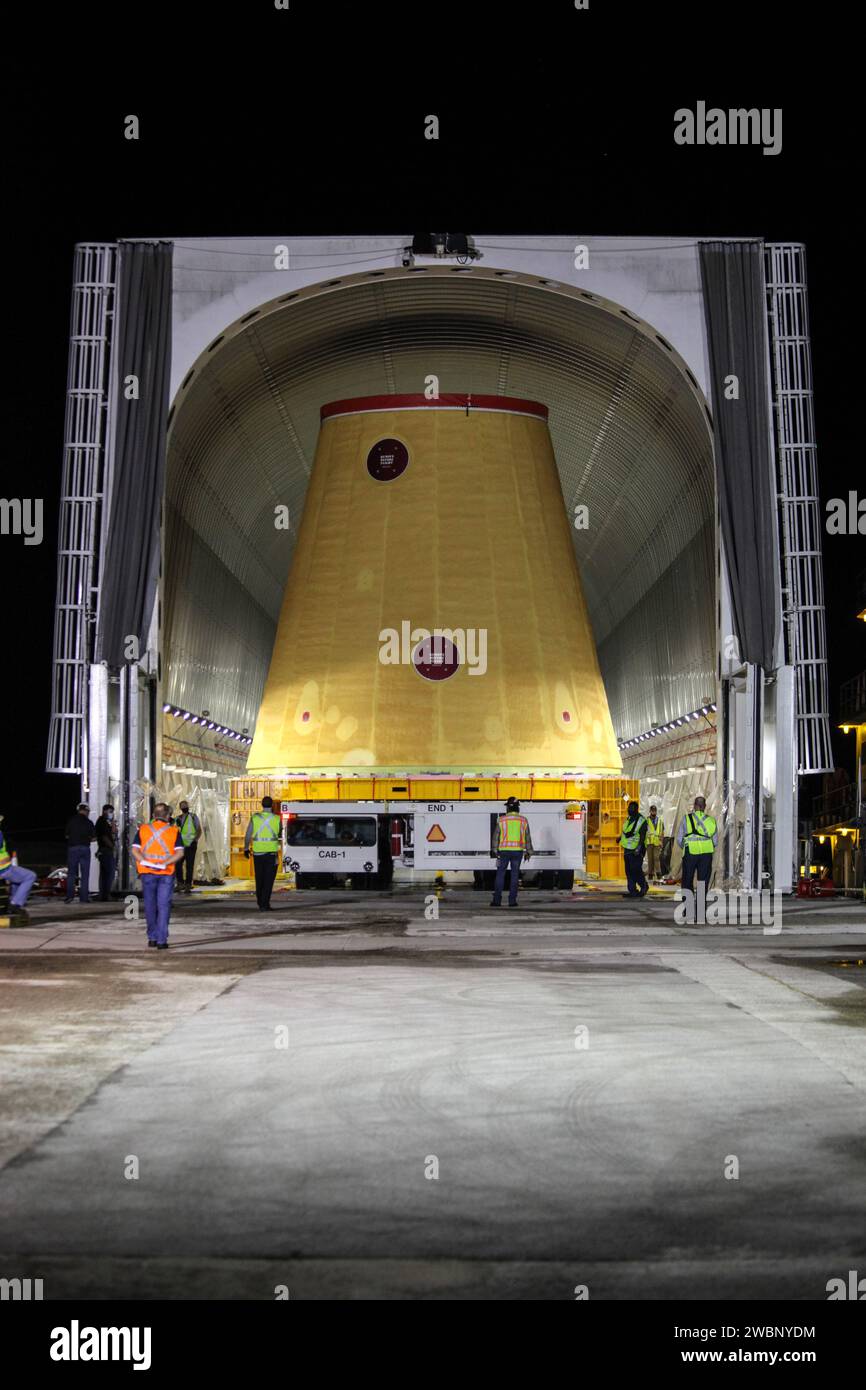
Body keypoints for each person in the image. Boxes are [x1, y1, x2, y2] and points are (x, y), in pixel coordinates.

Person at [132, 803, 184, 949]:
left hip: (147, 873)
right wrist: (165, 863)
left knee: (150, 906)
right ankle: (162, 941)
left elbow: (135, 851)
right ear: (168, 816)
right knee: (163, 906)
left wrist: (145, 861)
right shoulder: (174, 831)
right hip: (166, 873)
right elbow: (180, 853)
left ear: (154, 815)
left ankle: (152, 938)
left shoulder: (143, 830)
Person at [490, 796, 533, 908]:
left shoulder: (501, 820)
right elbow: (527, 837)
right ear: (517, 808)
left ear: (508, 808)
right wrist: (529, 851)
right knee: (514, 876)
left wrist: (494, 850)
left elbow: (495, 837)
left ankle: (497, 901)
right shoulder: (523, 820)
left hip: (503, 852)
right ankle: (512, 901)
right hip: (517, 852)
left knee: (500, 875)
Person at [244, 796, 282, 910]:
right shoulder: (277, 818)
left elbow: (248, 835)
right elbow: (279, 833)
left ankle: (261, 902)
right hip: (271, 854)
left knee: (259, 879)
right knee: (268, 880)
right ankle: (265, 904)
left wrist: (246, 848)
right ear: (272, 805)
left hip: (258, 853)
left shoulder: (255, 818)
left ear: (262, 804)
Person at [0, 812, 37, 923]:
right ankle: (15, 904)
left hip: (5, 868)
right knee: (30, 876)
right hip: (3, 869)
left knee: (17, 881)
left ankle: (13, 903)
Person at [677, 796, 718, 893]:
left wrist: (687, 847)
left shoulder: (686, 819)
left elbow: (679, 839)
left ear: (695, 806)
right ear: (704, 806)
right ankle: (700, 906)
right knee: (702, 882)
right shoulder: (711, 821)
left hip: (690, 853)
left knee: (687, 880)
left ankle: (688, 906)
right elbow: (715, 842)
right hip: (706, 855)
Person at [64, 802, 96, 904]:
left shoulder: (71, 821)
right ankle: (84, 898)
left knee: (71, 874)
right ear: (86, 811)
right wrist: (86, 840)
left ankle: (69, 897)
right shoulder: (89, 822)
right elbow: (94, 837)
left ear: (78, 810)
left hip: (73, 848)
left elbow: (66, 836)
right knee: (85, 874)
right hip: (85, 849)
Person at [619, 801, 648, 898]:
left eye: (631, 808)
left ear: (636, 809)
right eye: (629, 808)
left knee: (635, 870)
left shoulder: (641, 820)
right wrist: (620, 838)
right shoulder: (629, 819)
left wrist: (638, 848)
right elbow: (626, 832)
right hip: (627, 850)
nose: (629, 810)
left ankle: (644, 886)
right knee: (628, 871)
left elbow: (642, 836)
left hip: (636, 850)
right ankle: (632, 891)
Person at [174, 799, 202, 894]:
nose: (184, 807)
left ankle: (188, 884)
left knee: (190, 865)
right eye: (182, 806)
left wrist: (195, 840)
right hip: (181, 846)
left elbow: (199, 829)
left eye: (185, 805)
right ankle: (180, 883)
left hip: (191, 845)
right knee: (178, 864)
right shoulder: (178, 819)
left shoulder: (193, 817)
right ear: (180, 808)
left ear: (188, 807)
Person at [93, 803, 117, 901]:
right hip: (105, 850)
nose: (111, 813)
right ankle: (106, 894)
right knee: (109, 873)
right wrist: (112, 846)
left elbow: (113, 832)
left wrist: (113, 823)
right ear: (104, 811)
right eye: (110, 812)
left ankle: (103, 895)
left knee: (105, 874)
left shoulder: (106, 822)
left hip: (105, 850)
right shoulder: (101, 821)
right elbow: (104, 836)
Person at [645, 804, 665, 883]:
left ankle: (658, 873)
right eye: (652, 811)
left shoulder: (660, 821)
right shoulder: (647, 821)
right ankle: (650, 874)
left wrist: (661, 841)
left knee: (656, 858)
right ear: (650, 811)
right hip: (649, 842)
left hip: (657, 842)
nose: (653, 812)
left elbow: (662, 831)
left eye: (655, 811)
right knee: (650, 859)